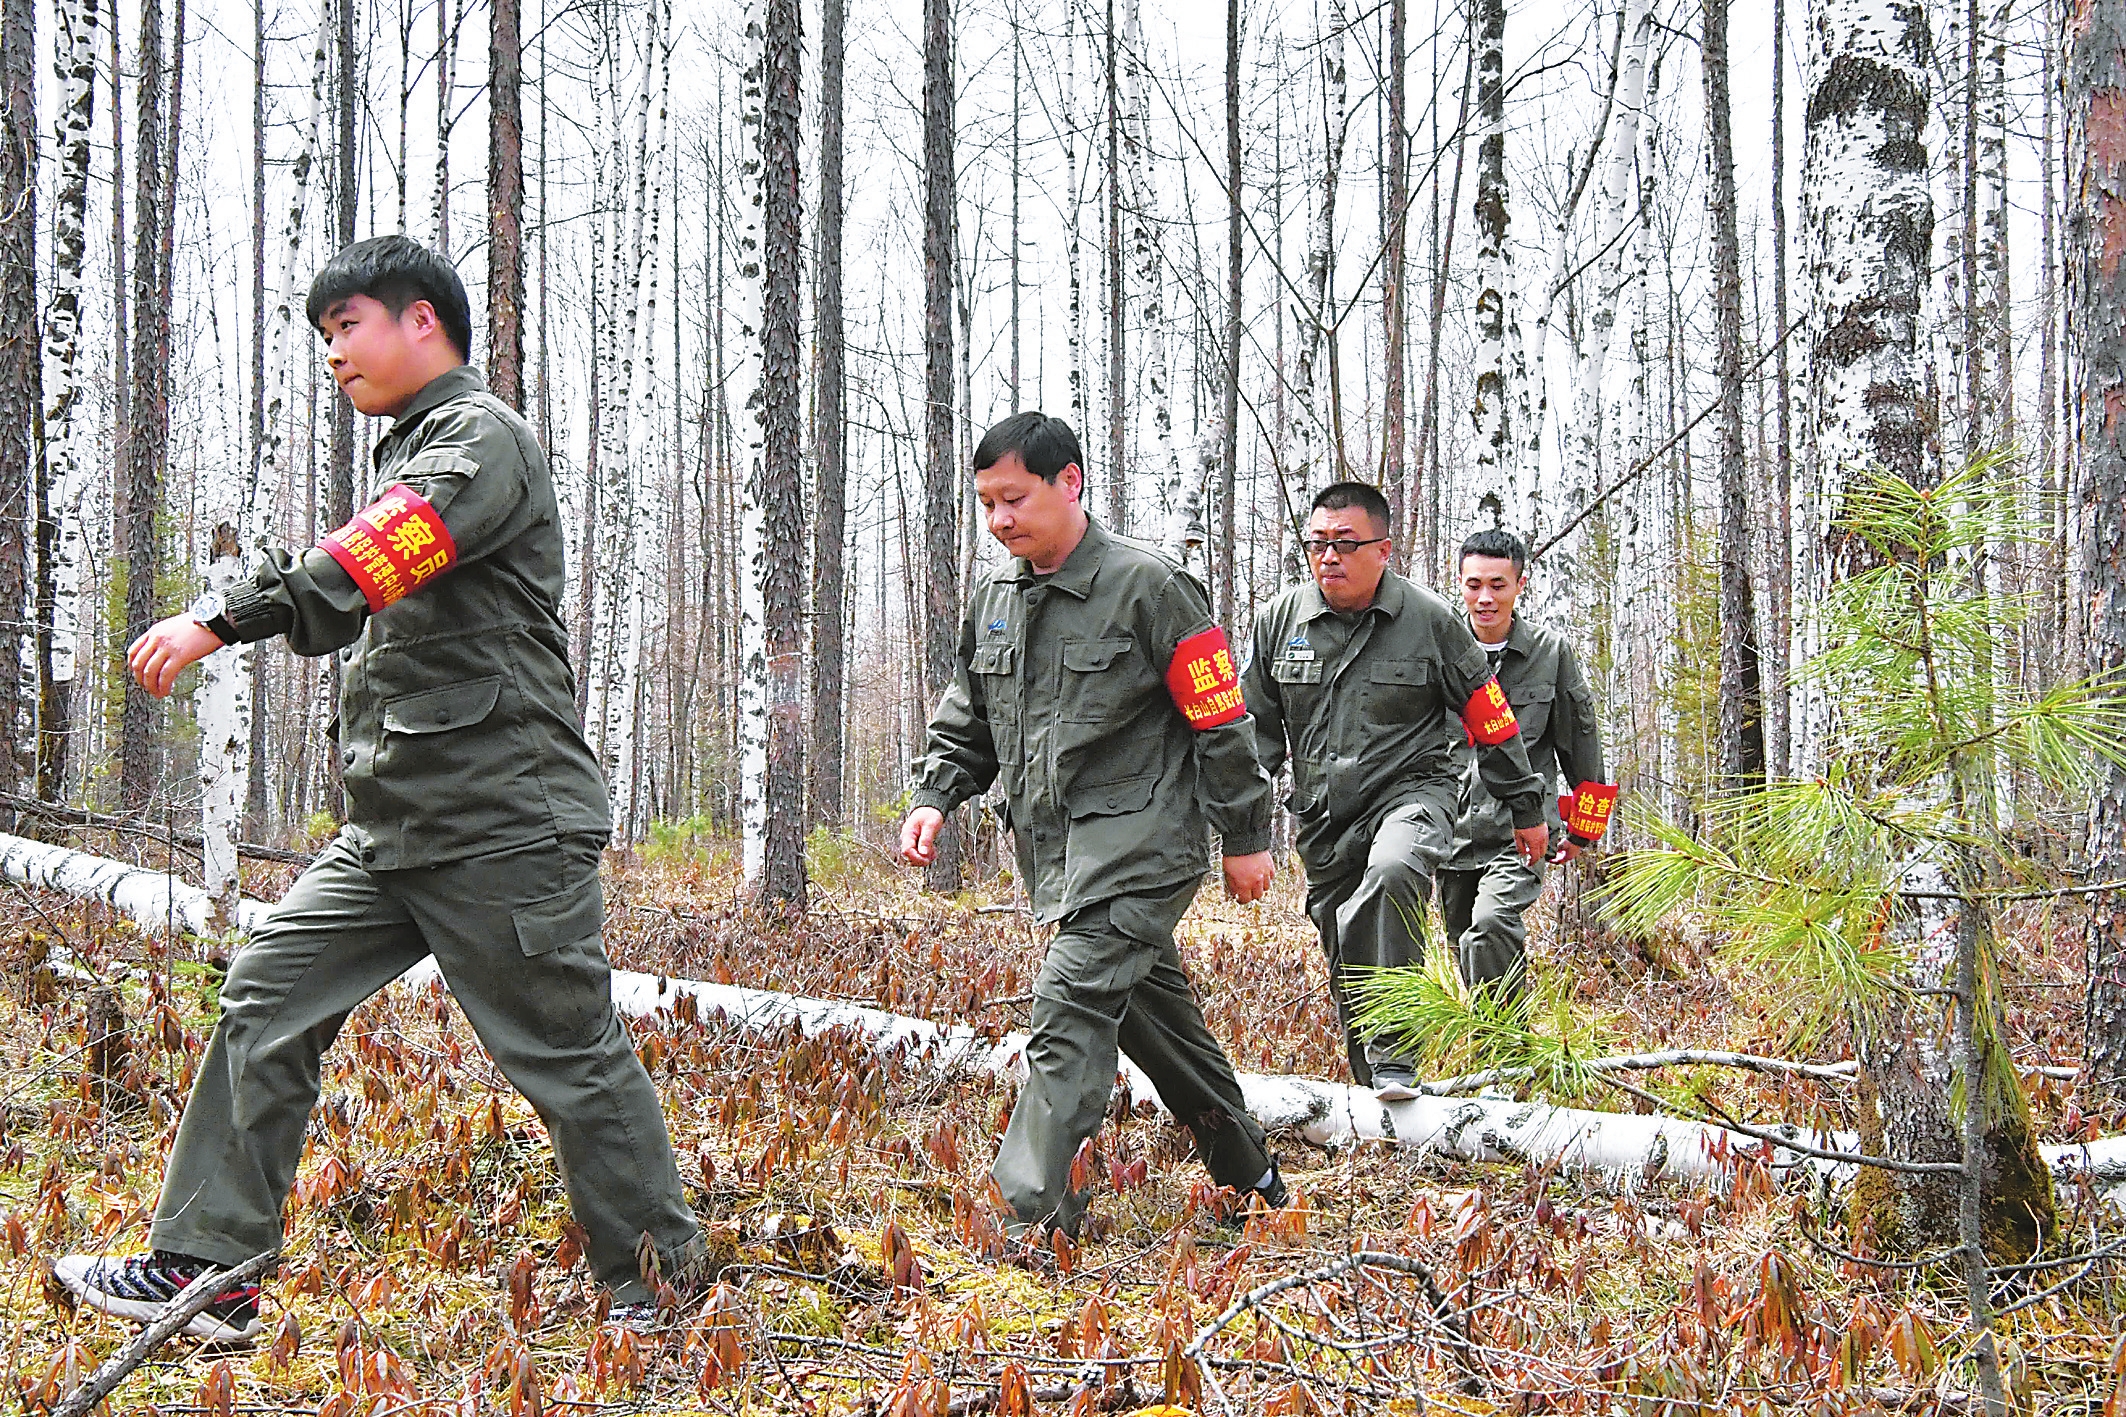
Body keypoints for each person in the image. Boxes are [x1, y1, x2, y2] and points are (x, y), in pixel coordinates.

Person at [56, 235, 703, 1342]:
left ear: (421, 322)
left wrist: (220, 618)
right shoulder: (420, 446)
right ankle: (208, 1271)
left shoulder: (476, 443)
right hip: (399, 817)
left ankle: (661, 1287)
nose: (334, 355)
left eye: (348, 326)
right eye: (323, 338)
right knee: (267, 990)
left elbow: (374, 558)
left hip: (501, 817)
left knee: (564, 1050)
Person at [901, 411, 1287, 1239]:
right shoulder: (996, 598)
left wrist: (1246, 836)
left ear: (1068, 482)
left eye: (1014, 498)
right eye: (987, 504)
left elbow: (1221, 720)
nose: (999, 519)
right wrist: (937, 795)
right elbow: (971, 715)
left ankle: (1025, 1216)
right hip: (1058, 860)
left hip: (1143, 847)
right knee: (1154, 1019)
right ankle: (1251, 1175)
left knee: (1070, 999)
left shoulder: (1151, 587)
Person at [1241, 484, 1546, 1098]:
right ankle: (1381, 1100)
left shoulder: (1431, 621)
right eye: (1318, 544)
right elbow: (1257, 733)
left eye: (1345, 545)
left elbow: (1490, 717)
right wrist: (1240, 829)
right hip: (1325, 815)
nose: (1329, 558)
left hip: (1414, 793)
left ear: (1383, 550)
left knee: (1395, 868)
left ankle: (1395, 1055)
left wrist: (1526, 808)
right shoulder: (1280, 620)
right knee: (1346, 949)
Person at [1439, 529, 1615, 1002]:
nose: (1485, 598)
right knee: (1468, 948)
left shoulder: (1550, 654)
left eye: (1498, 585)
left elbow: (1580, 741)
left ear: (1521, 585)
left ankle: (1504, 1051)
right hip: (1448, 832)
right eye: (1474, 585)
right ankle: (1503, 1052)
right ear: (1459, 582)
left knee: (1491, 924)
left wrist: (1583, 831)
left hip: (1521, 831)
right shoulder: (1440, 648)